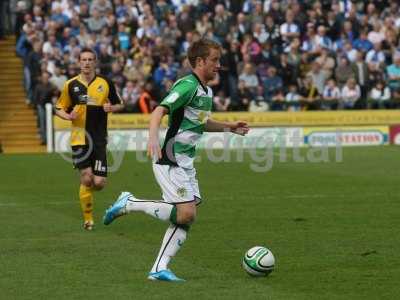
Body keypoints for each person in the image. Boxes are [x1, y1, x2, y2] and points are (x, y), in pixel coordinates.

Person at [103, 39, 249, 282]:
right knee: (186, 213)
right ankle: (129, 203)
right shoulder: (187, 85)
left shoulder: (206, 91)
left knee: (186, 216)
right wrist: (152, 138)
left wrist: (229, 127)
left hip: (186, 161)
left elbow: (201, 122)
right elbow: (158, 110)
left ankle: (159, 268)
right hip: (170, 157)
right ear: (200, 61)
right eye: (214, 60)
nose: (218, 65)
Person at [55, 48, 124, 230]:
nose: (86, 63)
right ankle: (88, 219)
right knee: (86, 178)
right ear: (79, 62)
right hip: (79, 138)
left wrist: (112, 108)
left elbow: (120, 103)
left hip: (99, 139)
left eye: (90, 59)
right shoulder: (71, 85)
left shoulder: (105, 82)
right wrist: (67, 116)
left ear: (95, 62)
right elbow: (59, 107)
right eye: (83, 60)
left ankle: (87, 193)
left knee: (99, 183)